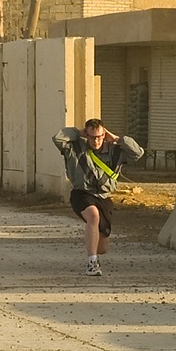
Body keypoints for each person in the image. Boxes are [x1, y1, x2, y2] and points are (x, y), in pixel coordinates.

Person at [53, 118, 144, 275]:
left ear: (104, 134)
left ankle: (96, 252)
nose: (96, 141)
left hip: (103, 197)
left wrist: (116, 138)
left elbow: (138, 153)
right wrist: (78, 132)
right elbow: (58, 138)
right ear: (86, 136)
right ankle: (92, 262)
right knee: (93, 216)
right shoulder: (74, 148)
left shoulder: (114, 151)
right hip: (82, 193)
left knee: (102, 247)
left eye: (99, 136)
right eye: (92, 137)